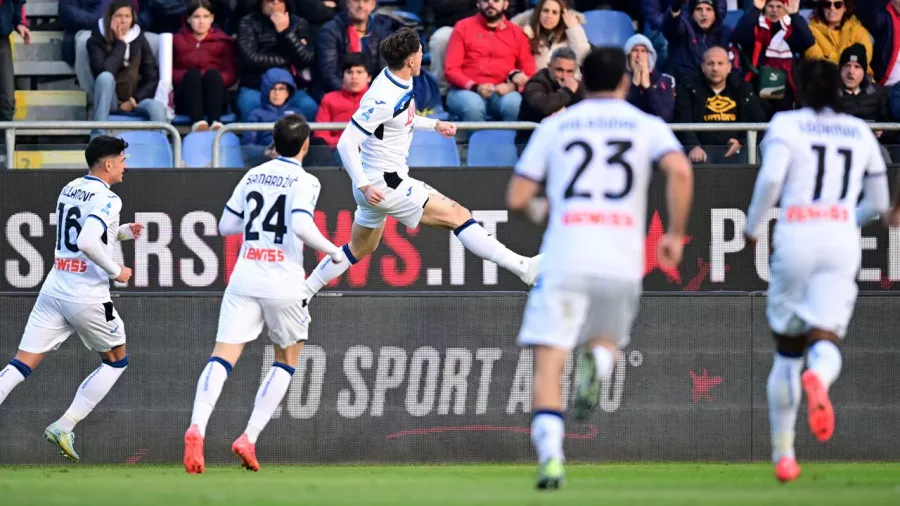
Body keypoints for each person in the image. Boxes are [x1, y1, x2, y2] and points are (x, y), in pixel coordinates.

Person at [506, 47, 694, 489]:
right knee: (605, 341)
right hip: (621, 258)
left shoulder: (557, 126)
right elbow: (681, 171)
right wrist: (672, 233)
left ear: (581, 81)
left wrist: (542, 210)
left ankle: (552, 456)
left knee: (549, 361)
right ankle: (602, 365)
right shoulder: (646, 125)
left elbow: (517, 198)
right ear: (626, 83)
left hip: (567, 252)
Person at [302, 28, 542, 301]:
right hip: (384, 183)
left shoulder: (397, 78)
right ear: (412, 61)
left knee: (359, 248)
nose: (421, 56)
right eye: (419, 52)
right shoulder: (382, 97)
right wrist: (364, 185)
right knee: (458, 215)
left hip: (377, 183)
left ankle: (302, 293)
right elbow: (346, 143)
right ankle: (524, 268)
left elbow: (401, 116)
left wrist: (434, 125)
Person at [743, 59, 890, 483]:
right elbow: (879, 202)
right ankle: (819, 376)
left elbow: (771, 181)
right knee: (826, 340)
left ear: (800, 86)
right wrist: (844, 218)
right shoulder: (859, 132)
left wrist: (754, 227)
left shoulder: (786, 125)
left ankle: (784, 455)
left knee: (787, 351)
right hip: (840, 242)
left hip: (797, 236)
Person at [183, 114, 345, 474]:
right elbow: (302, 225)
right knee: (286, 360)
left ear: (273, 142)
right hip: (283, 281)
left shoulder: (252, 174)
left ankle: (197, 427)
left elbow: (226, 226)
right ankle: (249, 437)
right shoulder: (306, 180)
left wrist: (256, 226)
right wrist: (332, 250)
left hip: (244, 276)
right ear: (305, 145)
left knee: (221, 358)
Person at [0, 136, 142, 462]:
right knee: (117, 360)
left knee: (21, 364)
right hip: (86, 294)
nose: (125, 165)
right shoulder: (110, 197)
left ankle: (63, 425)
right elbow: (87, 239)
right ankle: (65, 425)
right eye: (122, 159)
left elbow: (82, 230)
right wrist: (115, 270)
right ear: (108, 164)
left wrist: (122, 232)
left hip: (54, 287)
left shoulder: (71, 187)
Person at [445, 0, 537, 124]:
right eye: (485, 0)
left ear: (506, 4)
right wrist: (474, 86)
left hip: (503, 90)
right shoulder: (462, 27)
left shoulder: (517, 33)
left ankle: (509, 144)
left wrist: (513, 86)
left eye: (496, 1)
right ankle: (476, 144)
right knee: (474, 106)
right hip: (465, 90)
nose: (490, 4)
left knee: (514, 104)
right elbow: (451, 69)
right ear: (478, 3)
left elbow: (529, 72)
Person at [675, 46, 766, 164]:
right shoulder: (689, 88)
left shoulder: (743, 88)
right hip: (701, 153)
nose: (715, 68)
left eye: (720, 63)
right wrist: (693, 146)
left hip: (737, 152)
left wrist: (741, 143)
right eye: (710, 64)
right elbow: (683, 120)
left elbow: (758, 121)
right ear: (702, 67)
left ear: (729, 67)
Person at [86, 0, 167, 127]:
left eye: (127, 16)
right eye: (118, 16)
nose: (123, 20)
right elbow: (104, 71)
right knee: (105, 77)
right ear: (110, 19)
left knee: (157, 108)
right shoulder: (95, 40)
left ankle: (161, 143)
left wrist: (134, 99)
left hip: (135, 99)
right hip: (110, 100)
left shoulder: (139, 39)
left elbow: (151, 77)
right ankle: (98, 136)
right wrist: (120, 44)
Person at [236, 0, 317, 121]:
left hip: (291, 89)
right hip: (256, 86)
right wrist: (288, 59)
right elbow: (251, 59)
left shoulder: (299, 23)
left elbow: (305, 59)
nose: (275, 2)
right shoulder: (248, 22)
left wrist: (285, 32)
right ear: (261, 3)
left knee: (309, 107)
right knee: (251, 106)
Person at [173, 0, 238, 132]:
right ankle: (198, 123)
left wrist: (208, 78)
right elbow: (170, 71)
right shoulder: (177, 40)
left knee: (212, 74)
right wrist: (193, 77)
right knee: (193, 74)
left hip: (215, 93)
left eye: (206, 16)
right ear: (189, 19)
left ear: (212, 18)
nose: (201, 21)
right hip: (186, 94)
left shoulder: (223, 41)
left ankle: (215, 122)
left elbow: (231, 73)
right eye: (197, 17)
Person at [516, 47, 583, 145]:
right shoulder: (535, 83)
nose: (564, 76)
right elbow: (544, 106)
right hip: (530, 143)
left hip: (564, 142)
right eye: (559, 70)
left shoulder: (577, 86)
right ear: (549, 66)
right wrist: (568, 91)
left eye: (569, 72)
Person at [510, 0, 591, 71]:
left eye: (554, 12)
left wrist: (574, 29)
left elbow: (583, 58)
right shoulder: (526, 32)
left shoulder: (571, 33)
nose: (549, 16)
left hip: (567, 83)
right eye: (545, 11)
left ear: (561, 16)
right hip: (538, 84)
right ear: (539, 13)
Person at [314, 52, 370, 151]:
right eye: (349, 72)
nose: (354, 77)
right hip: (337, 152)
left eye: (359, 72)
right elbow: (320, 134)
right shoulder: (329, 99)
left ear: (369, 77)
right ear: (342, 76)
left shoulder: (379, 101)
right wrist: (346, 143)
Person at [663, 0, 732, 78]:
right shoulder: (684, 28)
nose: (703, 14)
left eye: (708, 9)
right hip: (683, 84)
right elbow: (670, 27)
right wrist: (675, 8)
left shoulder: (724, 33)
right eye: (698, 9)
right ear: (692, 14)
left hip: (713, 84)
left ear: (714, 14)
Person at [804, 0, 873, 76]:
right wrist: (847, 60)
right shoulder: (809, 31)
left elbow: (863, 60)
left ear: (845, 8)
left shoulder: (858, 31)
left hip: (859, 79)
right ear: (822, 7)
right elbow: (816, 59)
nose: (832, 8)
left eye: (838, 5)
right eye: (827, 4)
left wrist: (828, 56)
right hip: (826, 79)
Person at [625, 33, 676, 122]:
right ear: (628, 55)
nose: (639, 55)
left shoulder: (664, 80)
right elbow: (619, 112)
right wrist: (634, 85)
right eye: (634, 50)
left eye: (643, 51)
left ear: (649, 56)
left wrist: (648, 88)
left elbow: (664, 116)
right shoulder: (618, 80)